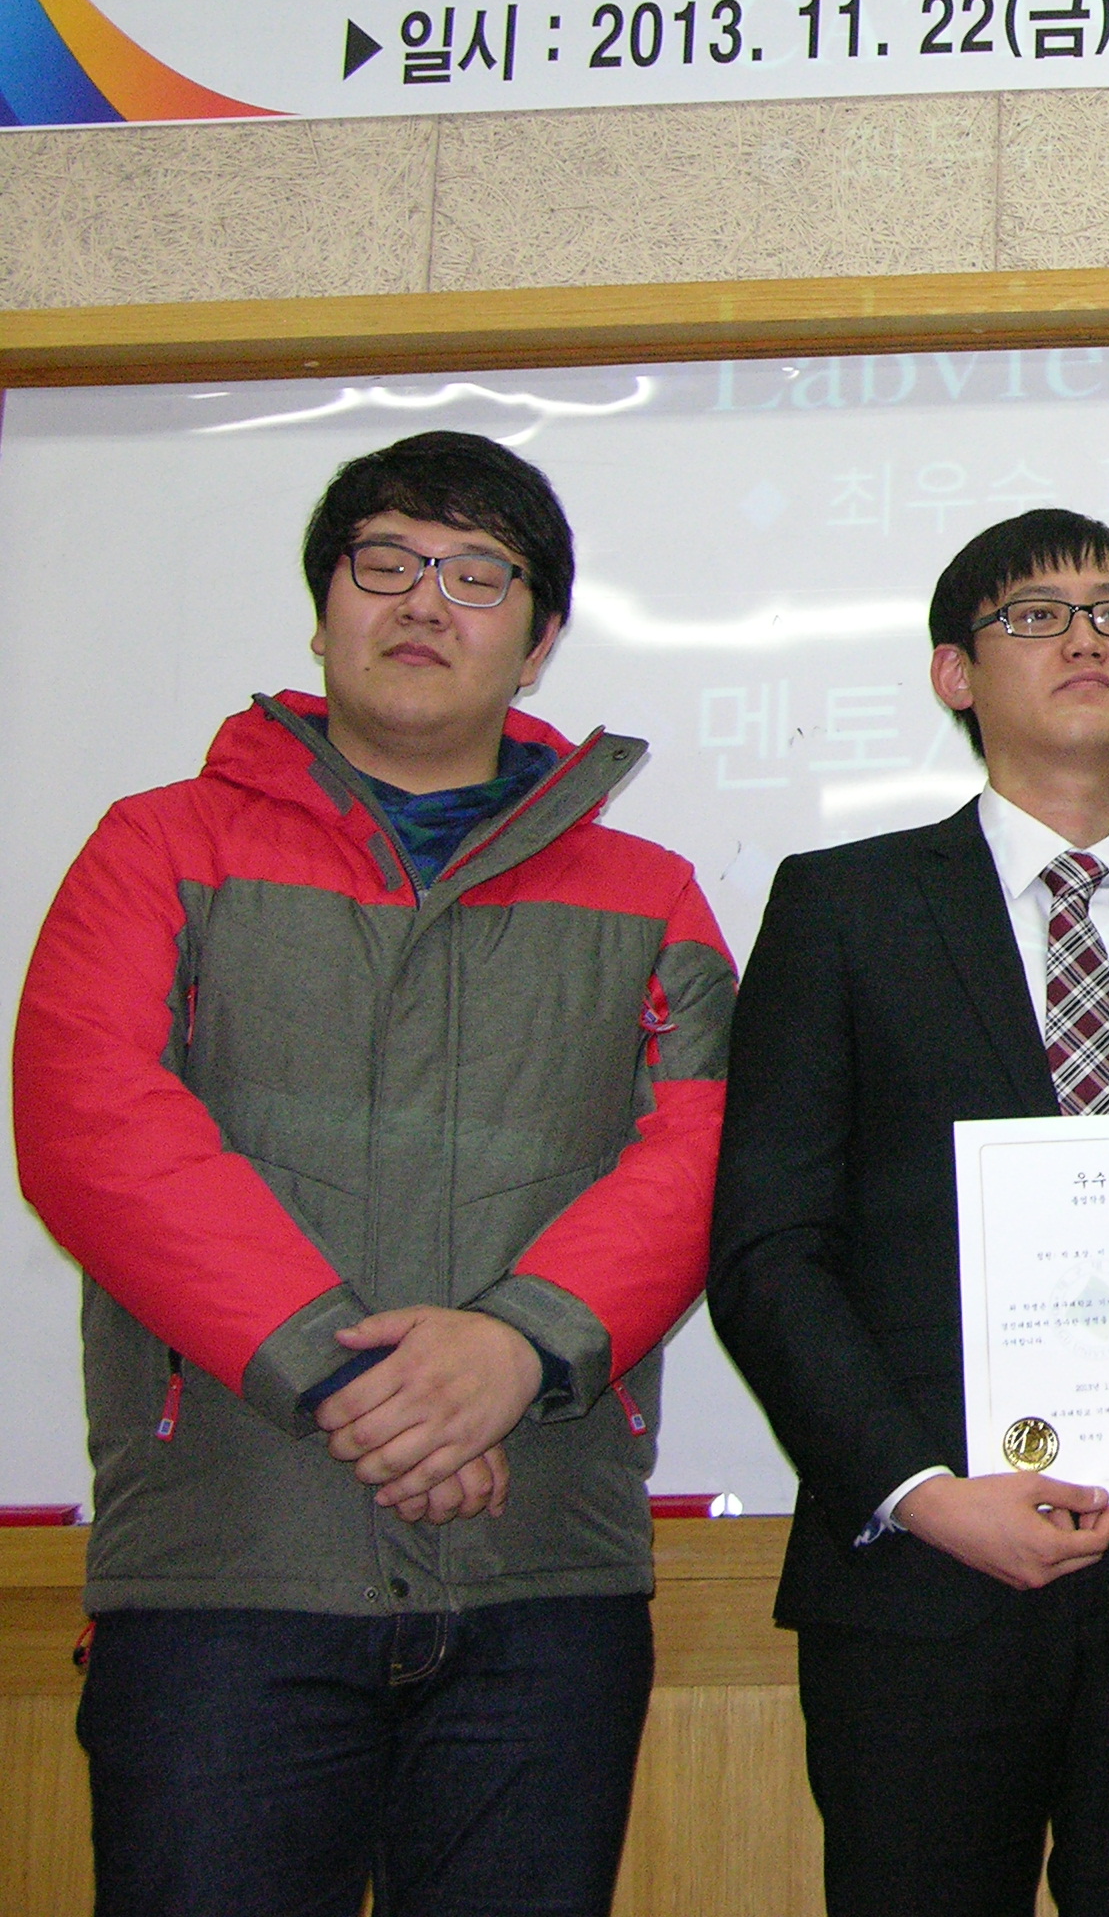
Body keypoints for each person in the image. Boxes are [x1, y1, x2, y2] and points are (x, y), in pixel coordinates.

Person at [13, 429, 734, 1916]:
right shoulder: (158, 847)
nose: (424, 602)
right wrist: (353, 1382)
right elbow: (94, 1125)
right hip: (227, 1568)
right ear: (322, 609)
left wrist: (517, 1351)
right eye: (387, 562)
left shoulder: (650, 895)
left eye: (479, 575)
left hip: (542, 1576)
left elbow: (703, 1155)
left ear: (539, 639)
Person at [709, 507, 1109, 1917]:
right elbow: (768, 1253)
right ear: (956, 673)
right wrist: (922, 1494)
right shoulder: (843, 907)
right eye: (1035, 616)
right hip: (924, 1578)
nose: (1084, 639)